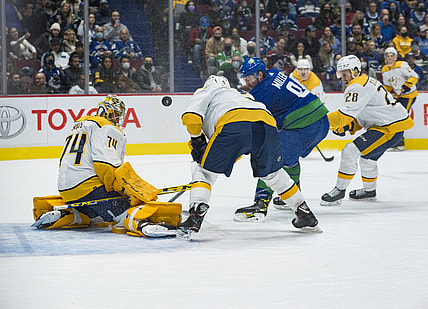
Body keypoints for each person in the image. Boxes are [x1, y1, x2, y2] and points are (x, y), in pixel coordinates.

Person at [178, 75, 320, 239]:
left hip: (232, 123)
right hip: (267, 124)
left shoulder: (208, 90)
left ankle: (195, 215)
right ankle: (304, 212)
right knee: (273, 174)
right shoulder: (242, 95)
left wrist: (196, 140)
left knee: (204, 172)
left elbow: (191, 117)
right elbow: (242, 137)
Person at [235, 57, 329, 218]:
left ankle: (260, 204)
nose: (246, 82)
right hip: (320, 120)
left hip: (304, 125)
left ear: (259, 74)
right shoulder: (272, 73)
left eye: (249, 78)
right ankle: (292, 193)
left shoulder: (262, 92)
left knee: (270, 160)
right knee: (290, 160)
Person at [320, 55, 414, 206]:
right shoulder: (364, 81)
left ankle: (339, 190)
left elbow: (344, 116)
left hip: (388, 128)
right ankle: (369, 191)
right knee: (368, 158)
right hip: (389, 126)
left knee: (350, 150)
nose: (342, 78)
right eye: (340, 74)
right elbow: (364, 113)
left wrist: (320, 121)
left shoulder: (357, 86)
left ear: (355, 71)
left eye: (345, 74)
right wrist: (348, 126)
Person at [381, 47, 419, 150]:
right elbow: (388, 86)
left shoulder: (402, 65)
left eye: (392, 56)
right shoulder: (384, 69)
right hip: (399, 96)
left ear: (396, 57)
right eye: (388, 56)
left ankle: (399, 142)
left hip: (409, 95)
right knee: (395, 117)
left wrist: (407, 85)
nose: (390, 58)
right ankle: (396, 141)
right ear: (385, 57)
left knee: (401, 117)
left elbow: (414, 76)